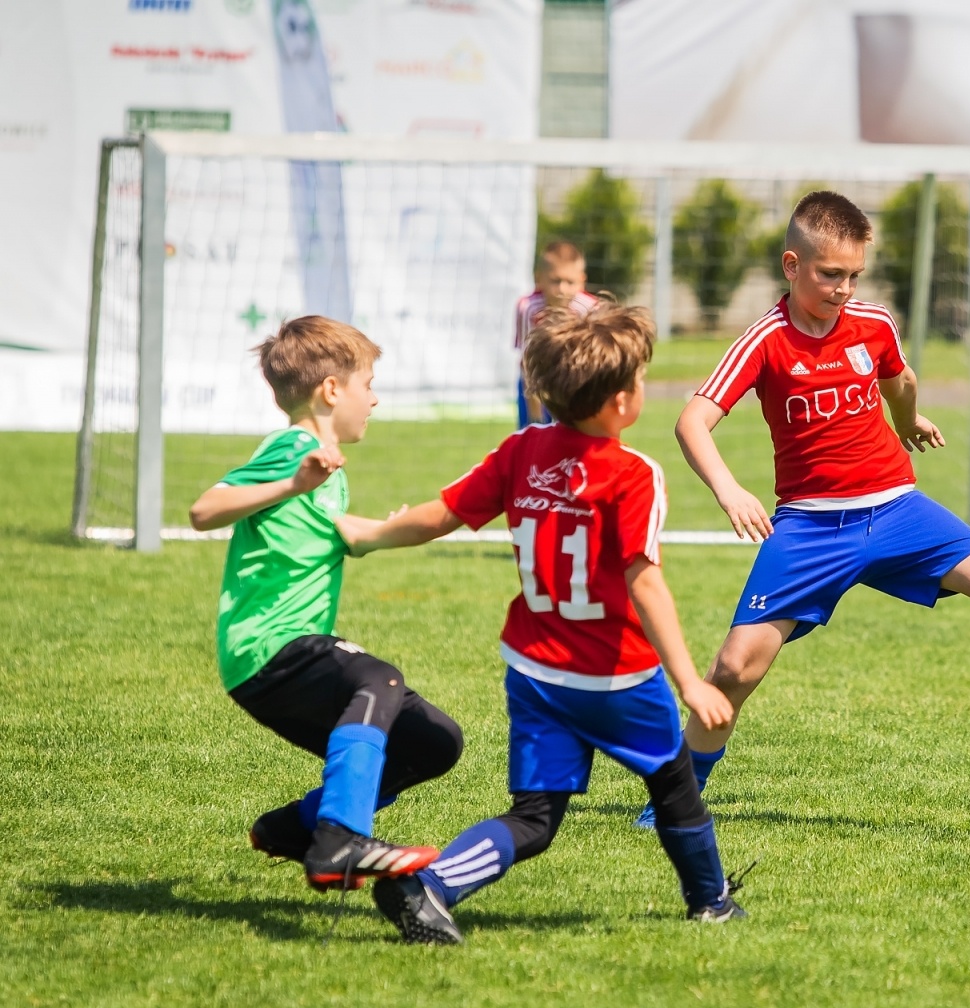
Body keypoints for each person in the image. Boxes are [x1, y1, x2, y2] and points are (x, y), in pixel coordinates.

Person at [634, 190, 970, 832]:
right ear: (792, 266)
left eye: (852, 275)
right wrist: (730, 490)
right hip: (811, 526)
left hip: (897, 509)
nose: (843, 289)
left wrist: (907, 421)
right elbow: (692, 421)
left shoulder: (873, 324)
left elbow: (899, 378)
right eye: (828, 275)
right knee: (734, 667)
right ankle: (679, 795)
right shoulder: (765, 338)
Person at [341, 303, 747, 944]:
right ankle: (712, 902)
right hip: (615, 679)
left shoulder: (522, 451)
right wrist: (691, 682)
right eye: (639, 380)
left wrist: (372, 534)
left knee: (535, 816)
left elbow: (441, 514)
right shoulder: (633, 473)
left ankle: (434, 883)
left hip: (534, 671)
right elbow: (645, 581)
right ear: (619, 403)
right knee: (675, 786)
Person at [188, 316, 462, 892]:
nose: (375, 398)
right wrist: (292, 482)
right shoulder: (296, 448)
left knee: (433, 742)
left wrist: (449, 514)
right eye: (368, 383)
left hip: (276, 660)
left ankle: (293, 828)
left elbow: (355, 535)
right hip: (268, 645)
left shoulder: (324, 466)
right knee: (379, 680)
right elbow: (204, 510)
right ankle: (340, 838)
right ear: (332, 390)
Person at [514, 239, 600, 427]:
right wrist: (535, 417)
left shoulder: (590, 309)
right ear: (539, 279)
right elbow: (528, 362)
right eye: (555, 280)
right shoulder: (527, 308)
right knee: (532, 438)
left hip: (577, 382)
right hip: (536, 382)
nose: (562, 289)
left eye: (570, 282)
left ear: (581, 281)